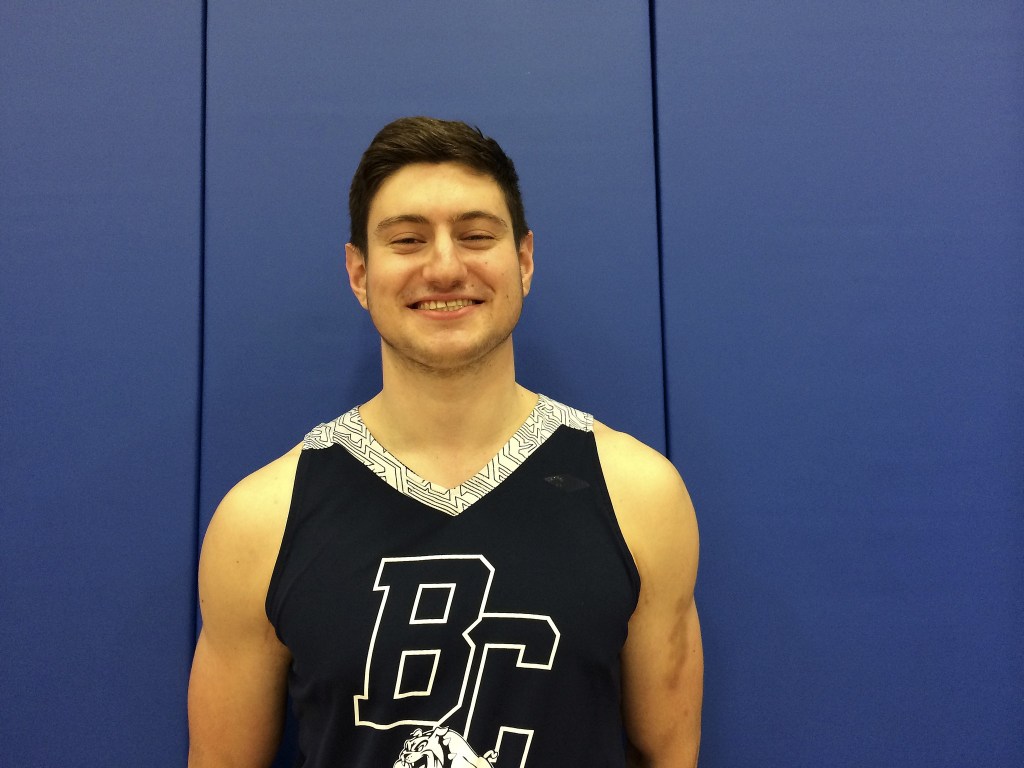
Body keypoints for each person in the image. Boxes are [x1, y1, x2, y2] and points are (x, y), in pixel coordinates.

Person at [187, 116, 702, 767]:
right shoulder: (260, 522)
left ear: (524, 261)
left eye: (476, 236)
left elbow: (668, 752)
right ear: (359, 273)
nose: (445, 266)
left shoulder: (639, 495)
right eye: (407, 240)